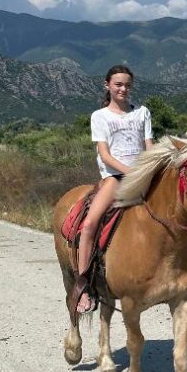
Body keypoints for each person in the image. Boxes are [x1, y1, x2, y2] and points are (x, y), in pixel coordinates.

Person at [74, 65, 154, 314]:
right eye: (118, 84)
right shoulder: (100, 116)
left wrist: (152, 169)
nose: (123, 89)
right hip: (116, 177)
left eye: (127, 85)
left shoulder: (142, 112)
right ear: (107, 85)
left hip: (143, 176)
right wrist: (131, 173)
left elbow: (149, 147)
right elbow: (105, 156)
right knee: (88, 225)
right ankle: (83, 286)